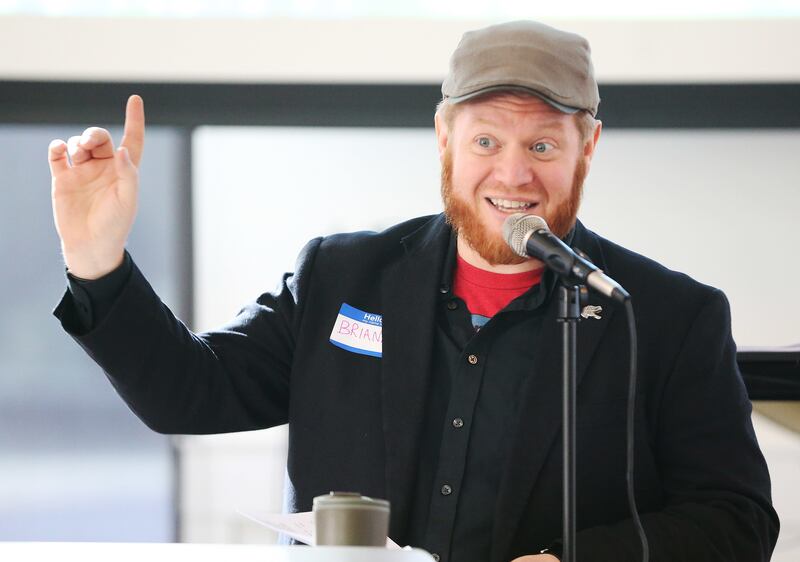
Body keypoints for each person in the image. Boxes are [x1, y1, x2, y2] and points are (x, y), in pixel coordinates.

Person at [49, 20, 778, 562]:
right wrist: (97, 258)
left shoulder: (664, 315)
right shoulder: (342, 277)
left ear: (589, 148)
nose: (513, 175)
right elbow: (190, 393)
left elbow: (736, 519)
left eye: (543, 146)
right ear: (443, 138)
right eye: (486, 141)